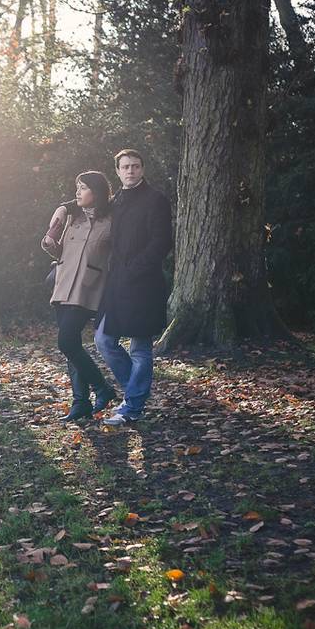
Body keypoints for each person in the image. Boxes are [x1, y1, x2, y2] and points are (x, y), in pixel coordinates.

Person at [95, 149, 173, 426]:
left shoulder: (156, 200)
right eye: (125, 167)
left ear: (142, 169)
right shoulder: (115, 201)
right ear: (117, 171)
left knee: (140, 348)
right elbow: (86, 202)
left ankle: (133, 405)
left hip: (144, 284)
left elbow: (161, 242)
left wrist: (134, 269)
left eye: (136, 166)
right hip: (115, 284)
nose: (131, 171)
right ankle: (134, 393)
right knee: (103, 340)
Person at [41, 171, 117, 421]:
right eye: (77, 187)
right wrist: (52, 245)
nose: (78, 192)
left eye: (83, 187)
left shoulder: (112, 221)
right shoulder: (73, 218)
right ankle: (80, 403)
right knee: (71, 345)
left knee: (66, 342)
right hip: (62, 288)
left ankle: (102, 388)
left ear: (96, 192)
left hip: (88, 290)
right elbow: (63, 253)